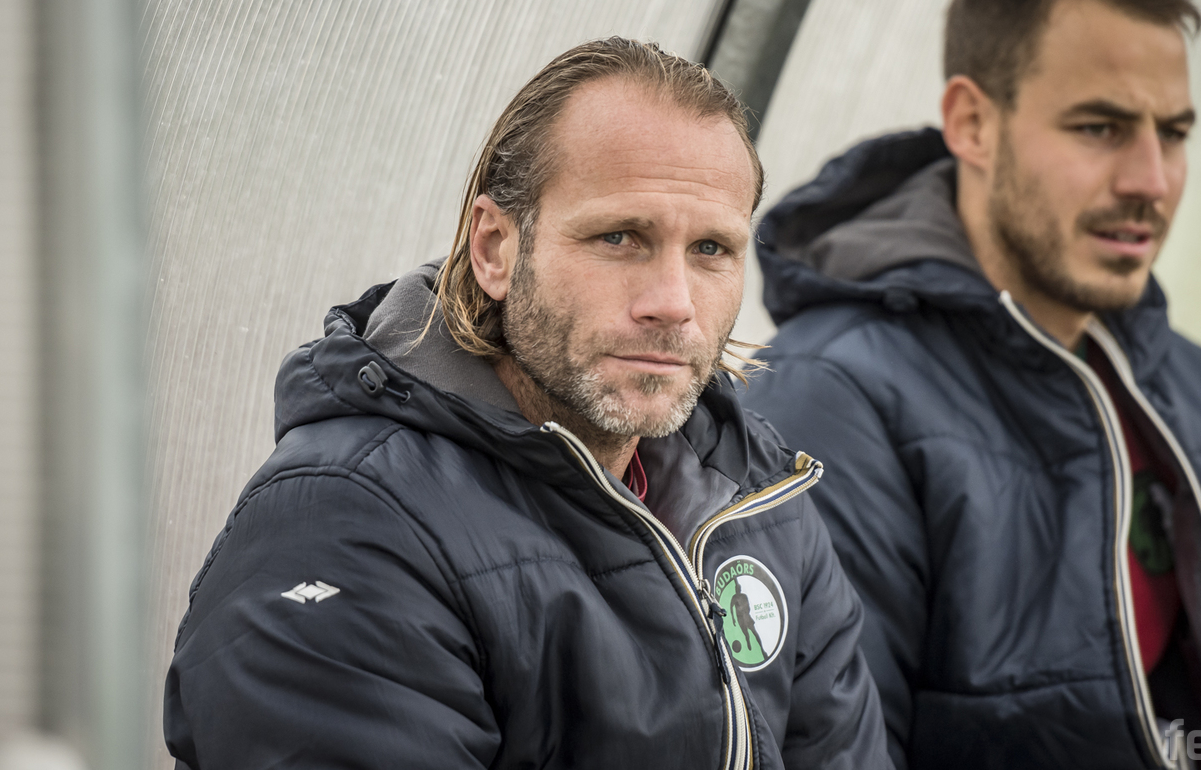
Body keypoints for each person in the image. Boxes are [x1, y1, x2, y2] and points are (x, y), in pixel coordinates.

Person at [164, 38, 889, 769]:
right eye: (619, 237)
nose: (674, 303)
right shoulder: (348, 527)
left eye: (711, 250)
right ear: (494, 249)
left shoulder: (758, 499)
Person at [743, 0, 1201, 769]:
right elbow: (833, 748)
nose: (1151, 180)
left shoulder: (1193, 389)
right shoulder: (828, 399)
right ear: (972, 123)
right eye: (1100, 127)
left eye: (1173, 133)